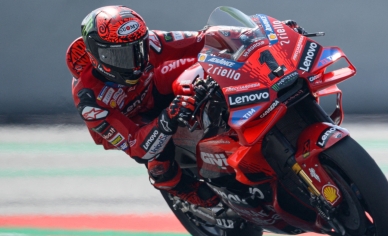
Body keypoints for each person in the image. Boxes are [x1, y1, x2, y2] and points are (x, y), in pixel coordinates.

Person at [66, 5, 307, 208]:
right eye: (120, 57)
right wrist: (167, 118)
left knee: (205, 60)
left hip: (153, 86)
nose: (135, 61)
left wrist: (259, 36)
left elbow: (203, 38)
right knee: (157, 160)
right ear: (95, 54)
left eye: (137, 49)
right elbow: (136, 145)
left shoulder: (152, 43)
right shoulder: (89, 97)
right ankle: (182, 190)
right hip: (132, 120)